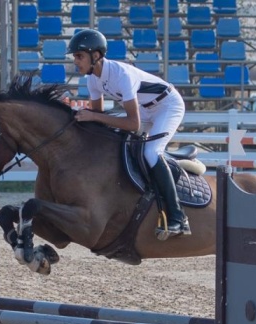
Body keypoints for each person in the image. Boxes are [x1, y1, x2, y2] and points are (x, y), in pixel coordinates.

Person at [67, 28, 191, 240]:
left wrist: (93, 117)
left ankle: (178, 218)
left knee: (151, 152)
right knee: (121, 143)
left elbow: (132, 124)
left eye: (79, 56)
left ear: (95, 56)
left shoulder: (121, 75)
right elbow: (96, 114)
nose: (75, 61)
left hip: (168, 105)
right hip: (145, 108)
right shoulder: (92, 80)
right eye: (75, 57)